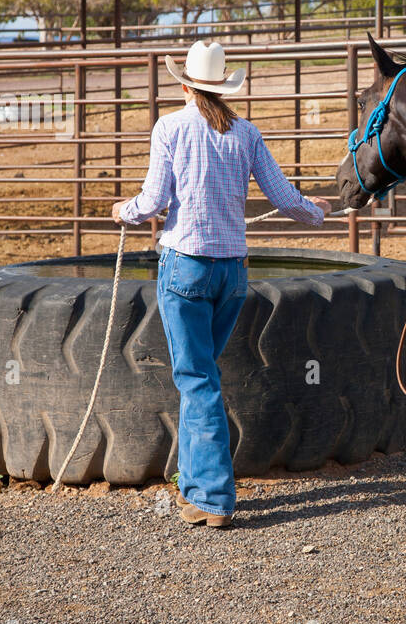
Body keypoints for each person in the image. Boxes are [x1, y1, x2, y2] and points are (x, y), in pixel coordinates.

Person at [112, 40, 330, 528]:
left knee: (196, 379)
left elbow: (152, 199)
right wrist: (317, 212)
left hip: (186, 264)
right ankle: (196, 484)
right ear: (224, 86)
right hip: (232, 270)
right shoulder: (246, 133)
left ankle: (212, 496)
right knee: (203, 375)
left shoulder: (169, 127)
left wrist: (122, 212)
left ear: (185, 85)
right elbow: (282, 194)